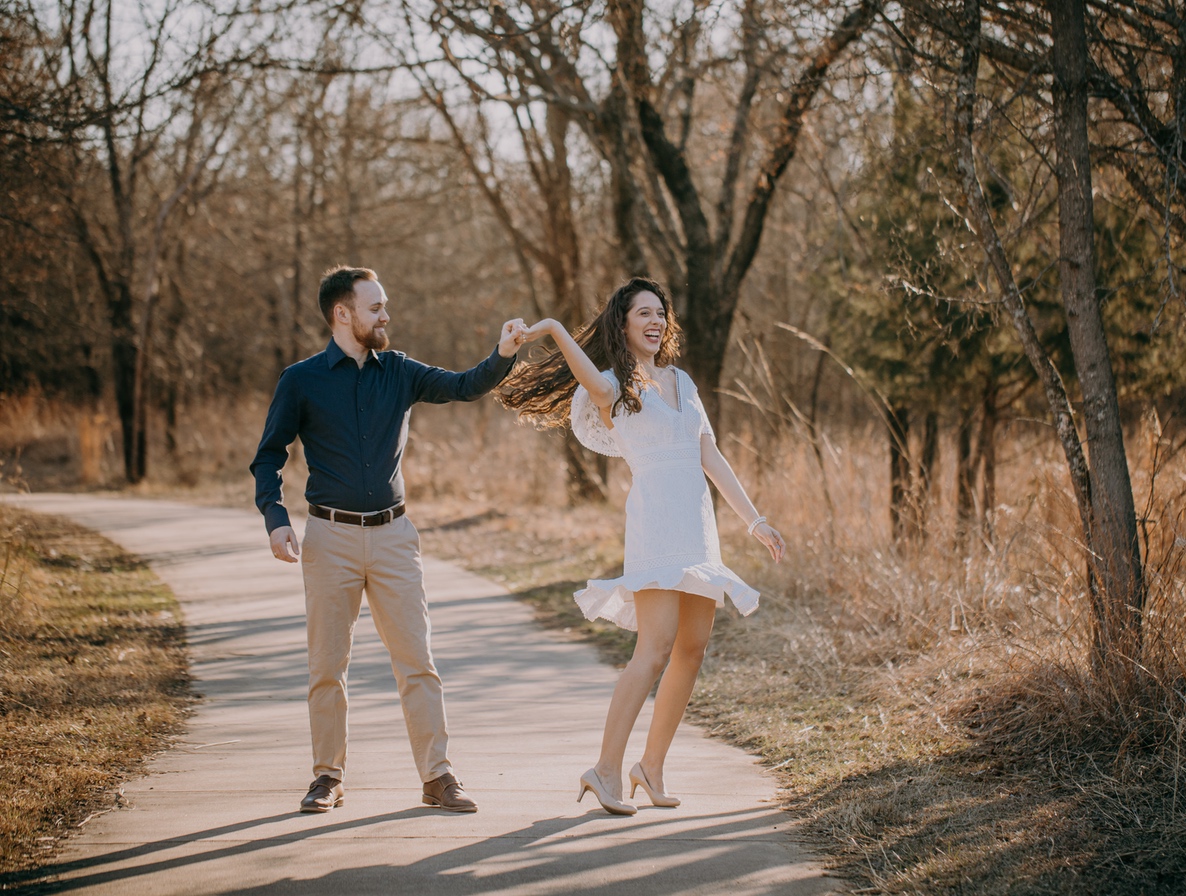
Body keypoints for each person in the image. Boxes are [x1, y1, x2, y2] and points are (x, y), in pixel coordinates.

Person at [501, 276, 785, 815]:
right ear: (623, 323)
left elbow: (711, 457)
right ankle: (605, 769)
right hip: (655, 527)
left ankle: (649, 768)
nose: (655, 322)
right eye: (643, 314)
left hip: (698, 527)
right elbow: (586, 374)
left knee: (693, 649)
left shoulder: (683, 382)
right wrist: (555, 329)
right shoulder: (612, 386)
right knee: (653, 649)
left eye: (661, 313)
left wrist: (755, 521)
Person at [250, 265, 525, 814]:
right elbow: (268, 457)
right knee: (327, 666)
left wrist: (504, 351)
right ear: (342, 314)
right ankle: (327, 777)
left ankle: (437, 776)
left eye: (385, 306)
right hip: (329, 538)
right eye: (375, 307)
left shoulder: (399, 370)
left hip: (395, 537)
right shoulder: (300, 380)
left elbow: (464, 385)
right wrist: (275, 518)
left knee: (418, 661)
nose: (385, 315)